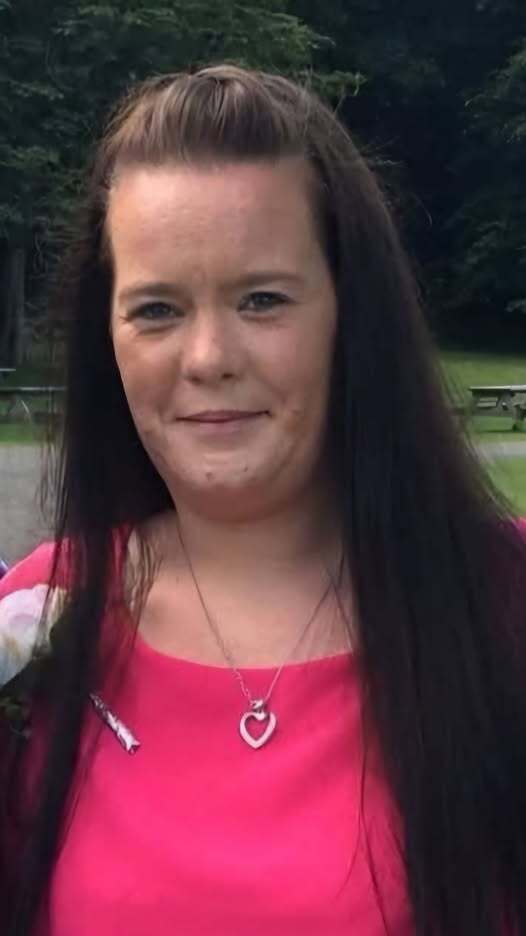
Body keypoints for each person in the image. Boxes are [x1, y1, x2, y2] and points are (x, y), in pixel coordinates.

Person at [0, 64, 525, 936]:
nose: (208, 356)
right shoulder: (41, 618)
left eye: (262, 300)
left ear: (348, 315)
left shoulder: (503, 601)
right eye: (158, 310)